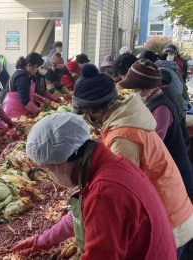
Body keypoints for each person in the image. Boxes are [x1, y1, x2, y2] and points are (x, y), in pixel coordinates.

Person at [11, 113, 177, 259]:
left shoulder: (105, 192)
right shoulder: (107, 164)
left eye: (48, 168)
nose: (50, 175)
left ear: (62, 161)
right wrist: (44, 240)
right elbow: (82, 214)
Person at [72, 64, 193, 257]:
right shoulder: (128, 118)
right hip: (174, 207)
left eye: (86, 113)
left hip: (169, 218)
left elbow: (118, 192)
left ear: (94, 111)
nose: (88, 119)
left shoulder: (123, 137)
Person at [118, 60, 193, 202]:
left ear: (146, 89)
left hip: (176, 173)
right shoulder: (152, 99)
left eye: (134, 90)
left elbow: (153, 145)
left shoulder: (161, 109)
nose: (132, 93)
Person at [3, 53, 47, 119]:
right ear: (29, 65)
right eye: (36, 67)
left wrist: (42, 99)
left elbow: (28, 93)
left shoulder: (26, 74)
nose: (37, 69)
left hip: (21, 110)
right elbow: (25, 100)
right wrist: (39, 111)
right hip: (15, 111)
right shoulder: (22, 78)